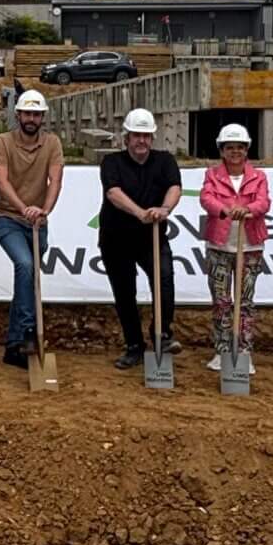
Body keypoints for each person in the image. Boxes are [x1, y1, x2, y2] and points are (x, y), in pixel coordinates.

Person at [98, 108, 182, 368]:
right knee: (125, 293)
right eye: (136, 135)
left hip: (152, 237)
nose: (141, 141)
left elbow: (174, 188)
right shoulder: (112, 162)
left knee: (164, 280)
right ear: (127, 138)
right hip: (116, 239)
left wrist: (164, 210)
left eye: (146, 135)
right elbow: (113, 193)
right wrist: (140, 213)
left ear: (152, 138)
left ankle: (162, 333)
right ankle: (134, 345)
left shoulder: (165, 161)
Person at [0, 87, 63, 370]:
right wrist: (23, 208)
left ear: (42, 117)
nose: (31, 118)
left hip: (37, 221)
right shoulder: (2, 142)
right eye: (27, 113)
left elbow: (55, 181)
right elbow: (1, 182)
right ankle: (30, 332)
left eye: (36, 114)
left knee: (28, 279)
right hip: (7, 218)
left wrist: (44, 210)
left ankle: (12, 345)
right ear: (17, 114)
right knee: (25, 264)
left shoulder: (52, 144)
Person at [198, 122, 270, 369]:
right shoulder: (212, 175)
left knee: (245, 302)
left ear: (247, 149)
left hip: (250, 248)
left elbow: (263, 203)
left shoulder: (258, 177)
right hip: (219, 247)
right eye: (230, 147)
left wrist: (247, 209)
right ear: (222, 150)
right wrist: (227, 210)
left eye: (240, 147)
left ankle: (244, 351)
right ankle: (222, 350)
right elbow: (206, 198)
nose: (235, 152)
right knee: (221, 301)